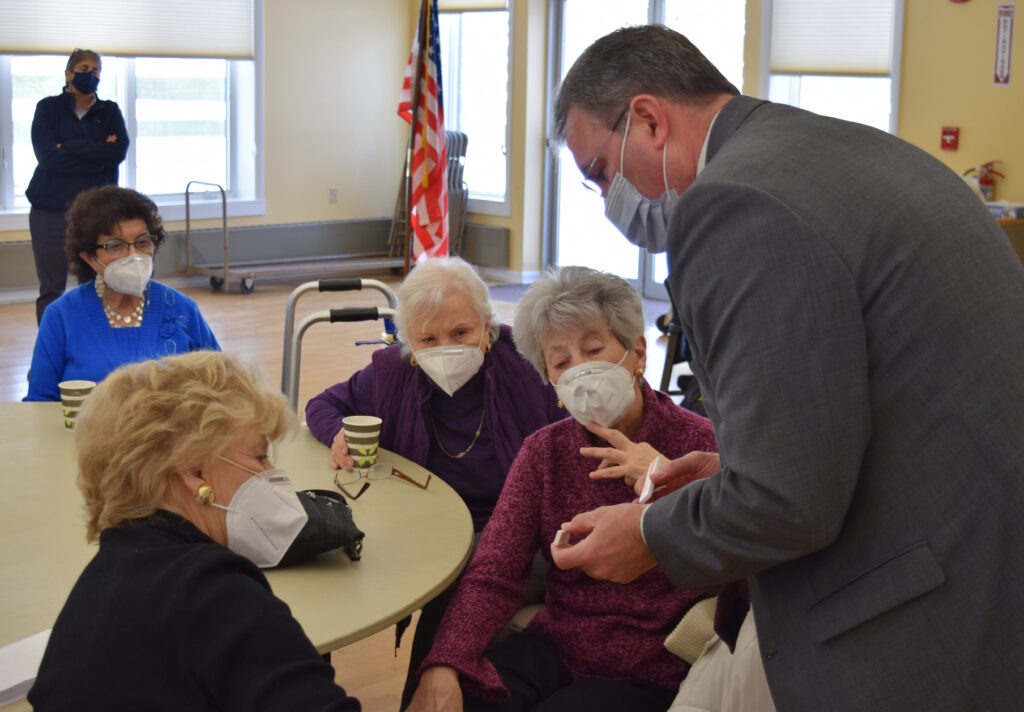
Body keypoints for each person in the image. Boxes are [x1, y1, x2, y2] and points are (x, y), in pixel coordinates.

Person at [549, 24, 1024, 711]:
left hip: (921, 613)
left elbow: (787, 504)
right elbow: (867, 393)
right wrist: (728, 468)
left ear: (649, 120)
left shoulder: (732, 204)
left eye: (599, 174)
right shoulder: (835, 150)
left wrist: (650, 534)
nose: (606, 202)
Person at [407, 266, 718, 712]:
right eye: (562, 362)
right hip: (558, 647)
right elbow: (495, 571)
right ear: (551, 383)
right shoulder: (544, 452)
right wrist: (445, 662)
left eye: (594, 349)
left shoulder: (700, 445)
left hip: (653, 665)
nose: (582, 370)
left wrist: (666, 481)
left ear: (637, 352)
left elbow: (737, 558)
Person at [27, 350, 361, 711]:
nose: (272, 475)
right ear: (194, 472)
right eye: (259, 457)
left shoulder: (101, 583)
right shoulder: (213, 592)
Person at [305, 255, 563, 708]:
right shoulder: (393, 374)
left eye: (460, 333)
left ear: (487, 328)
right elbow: (323, 404)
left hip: (528, 533)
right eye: (427, 338)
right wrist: (338, 433)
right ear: (408, 343)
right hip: (431, 532)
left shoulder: (528, 367)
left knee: (459, 596)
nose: (445, 348)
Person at [24, 185, 220, 402]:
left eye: (142, 242)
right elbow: (39, 401)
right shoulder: (61, 316)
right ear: (89, 257)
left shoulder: (182, 309)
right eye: (115, 246)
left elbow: (222, 384)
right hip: (85, 436)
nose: (134, 255)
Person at [26, 48, 128, 324]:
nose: (91, 75)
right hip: (50, 210)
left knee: (98, 285)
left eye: (96, 70)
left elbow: (117, 153)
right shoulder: (47, 108)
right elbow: (48, 158)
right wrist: (96, 156)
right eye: (84, 69)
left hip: (97, 213)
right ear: (69, 74)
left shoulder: (110, 111)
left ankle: (93, 351)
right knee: (51, 289)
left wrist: (68, 147)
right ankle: (50, 356)